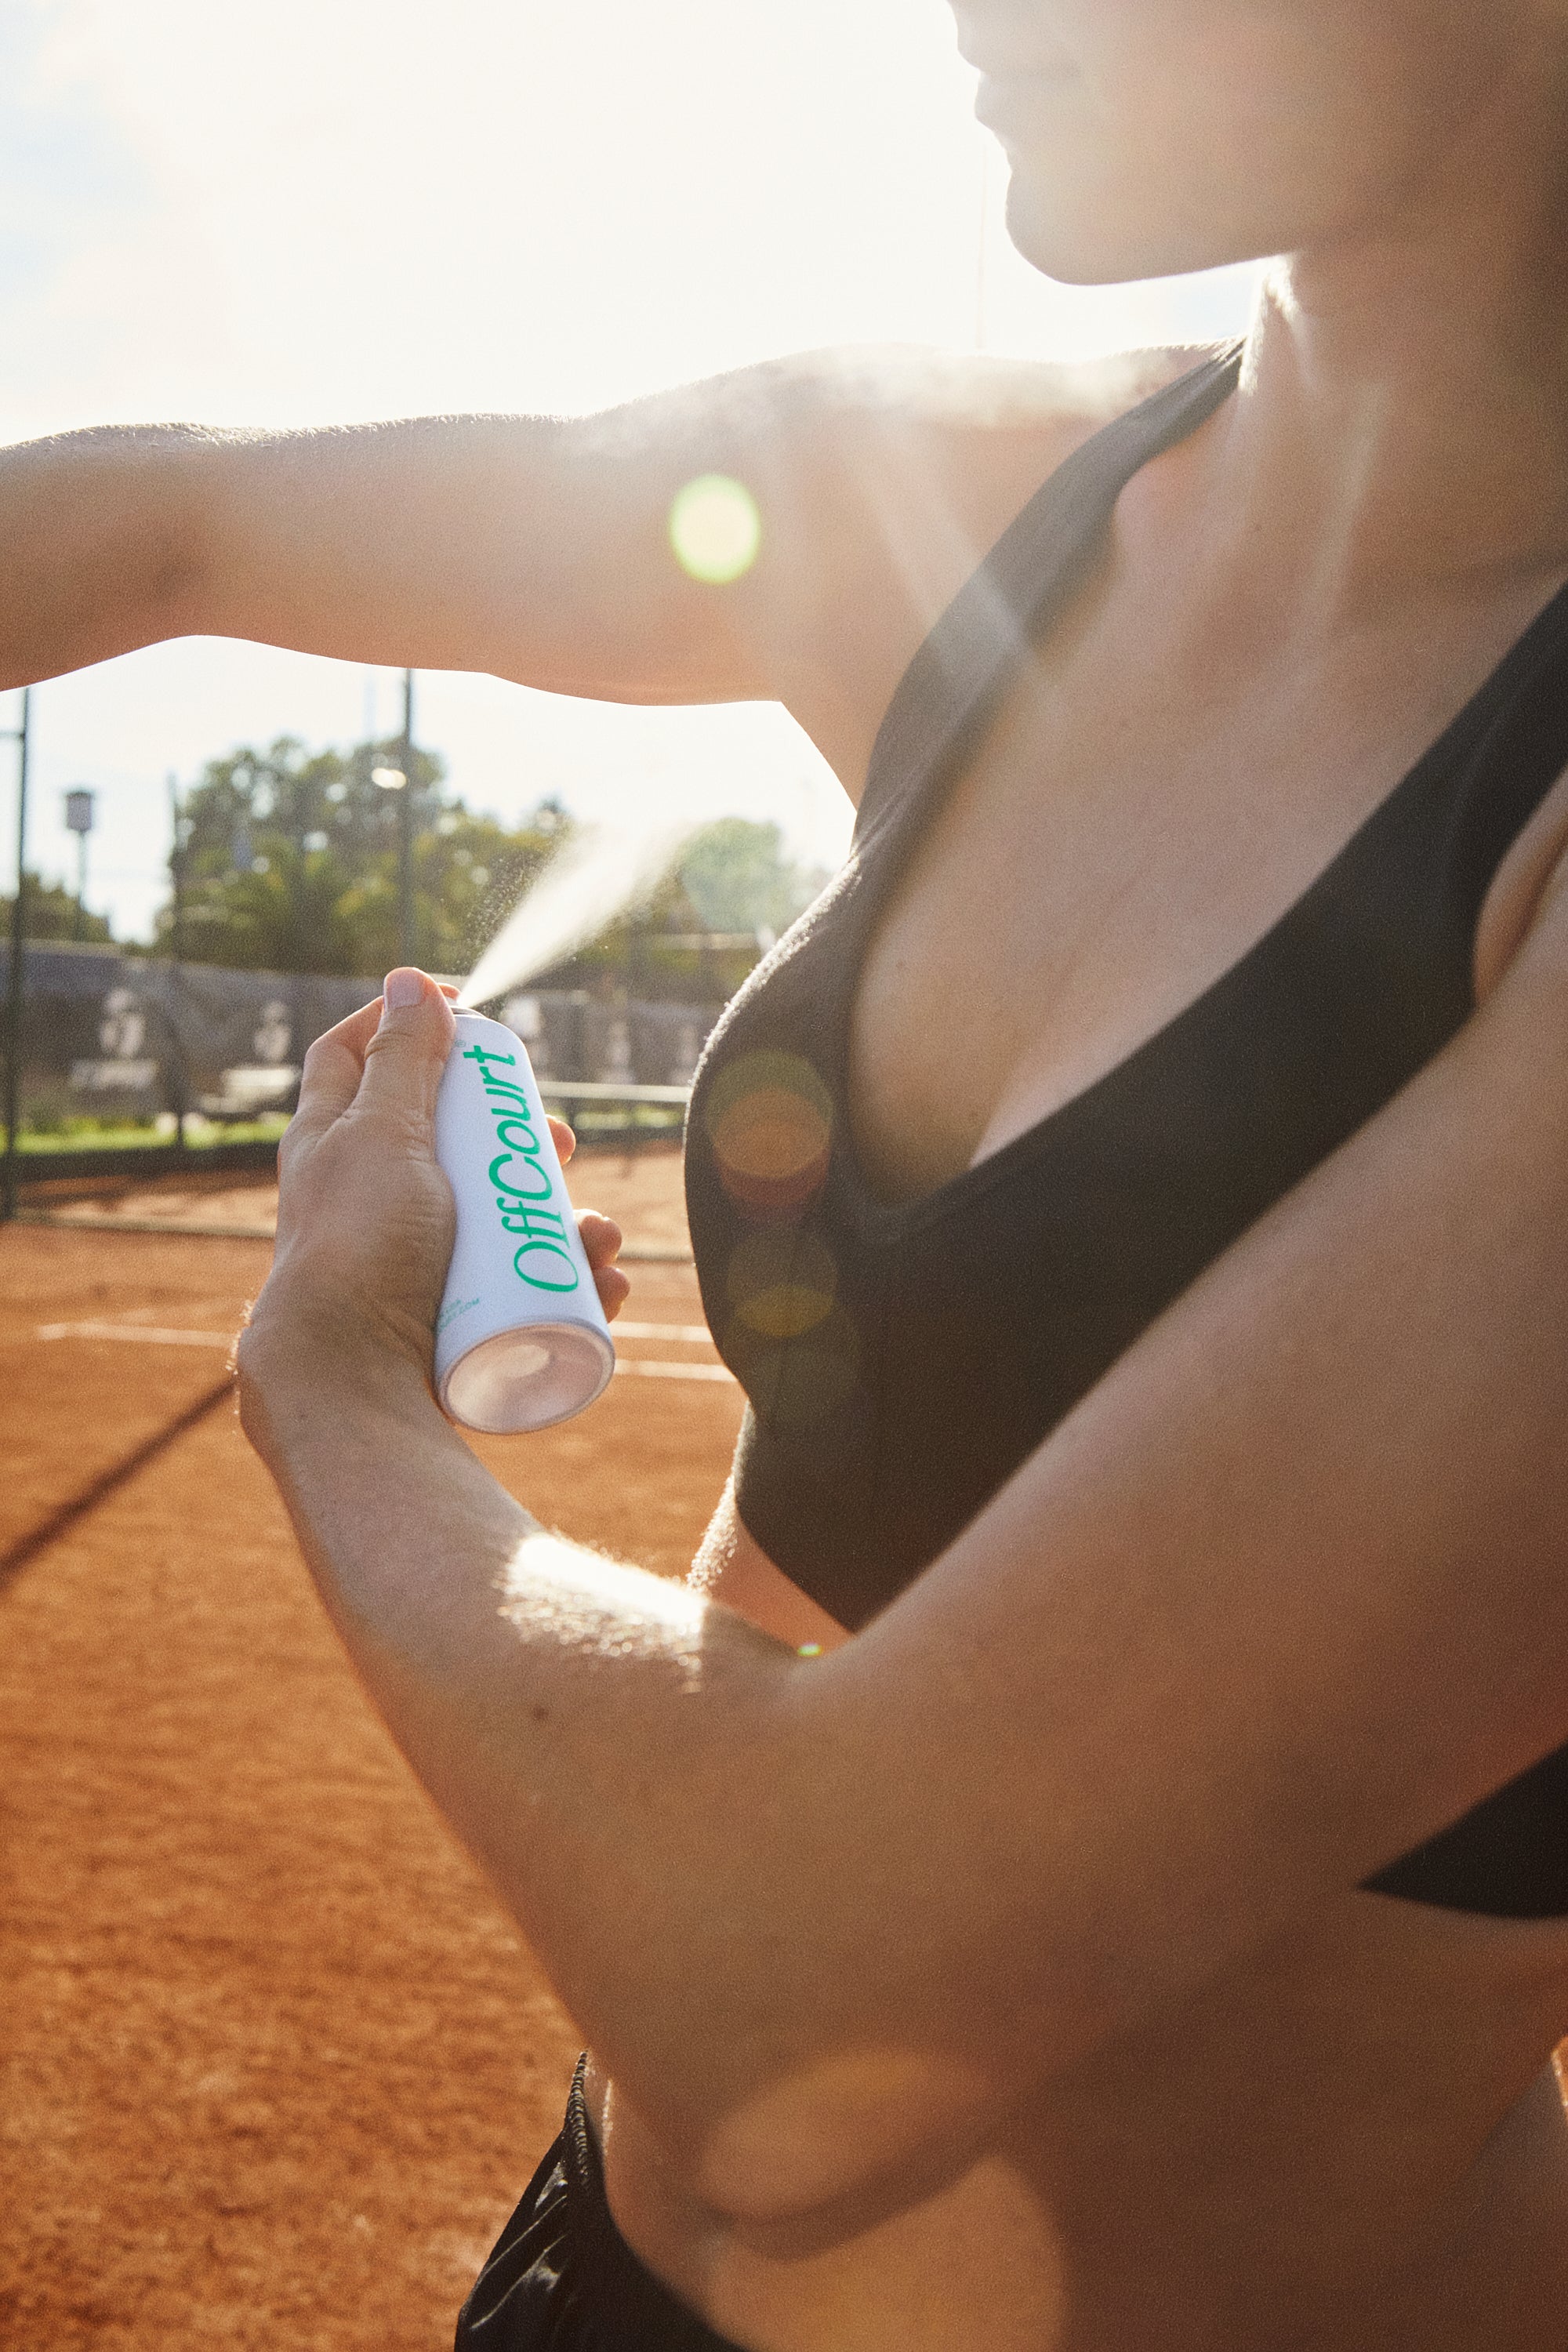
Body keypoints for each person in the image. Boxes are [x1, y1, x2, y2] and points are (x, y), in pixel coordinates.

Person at [11, 1, 1568, 2343]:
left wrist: (330, 1368)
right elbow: (166, 521)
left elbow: (801, 1998)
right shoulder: (960, 491)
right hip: (599, 2278)